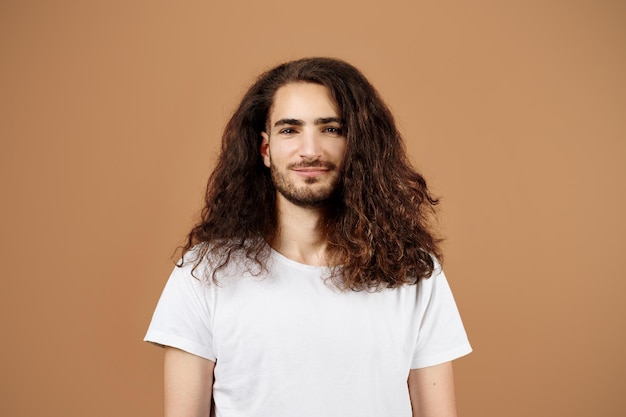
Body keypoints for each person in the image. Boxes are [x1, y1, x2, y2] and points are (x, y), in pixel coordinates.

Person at [145, 57, 471, 417]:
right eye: (290, 130)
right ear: (265, 149)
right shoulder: (203, 274)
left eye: (331, 129)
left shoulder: (414, 273)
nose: (310, 150)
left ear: (356, 145)